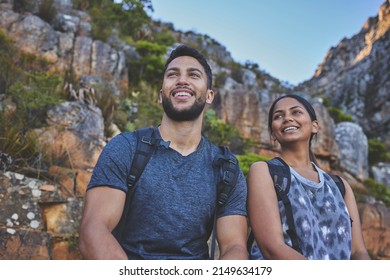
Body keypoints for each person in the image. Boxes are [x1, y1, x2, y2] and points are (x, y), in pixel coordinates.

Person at [79, 45, 248, 260]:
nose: (182, 80)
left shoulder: (226, 167)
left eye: (193, 75)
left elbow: (235, 247)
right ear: (161, 95)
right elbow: (93, 230)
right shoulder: (126, 148)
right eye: (172, 74)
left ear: (209, 96)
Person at [247, 94, 370, 260]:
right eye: (278, 116)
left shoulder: (340, 186)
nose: (287, 118)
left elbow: (358, 251)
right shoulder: (265, 172)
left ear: (315, 126)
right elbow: (272, 247)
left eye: (296, 112)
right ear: (273, 133)